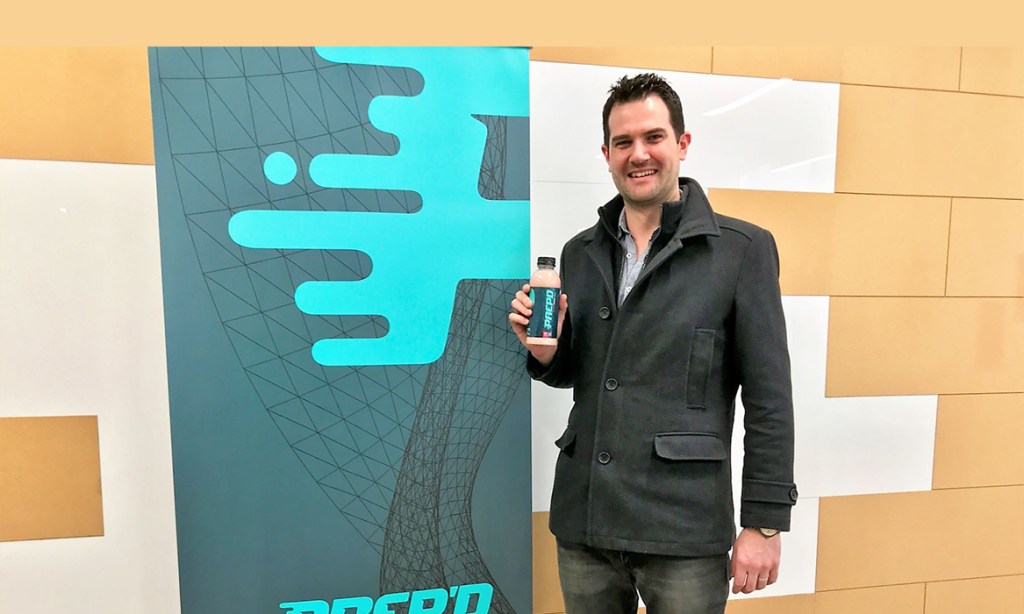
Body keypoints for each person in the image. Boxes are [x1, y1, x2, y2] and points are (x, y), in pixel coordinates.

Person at [509, 73, 797, 614]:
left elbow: (770, 401)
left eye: (653, 137)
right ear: (606, 153)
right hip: (586, 518)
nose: (638, 155)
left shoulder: (742, 251)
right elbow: (588, 373)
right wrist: (546, 354)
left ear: (682, 144)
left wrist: (764, 522)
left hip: (683, 527)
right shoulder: (580, 253)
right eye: (623, 143)